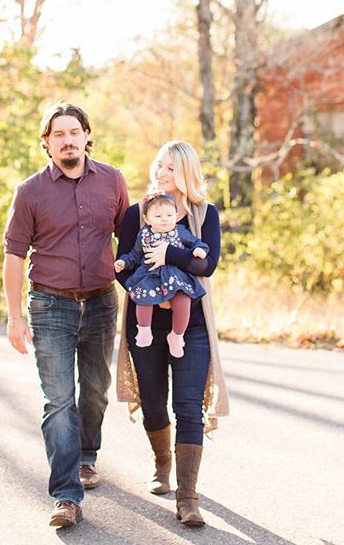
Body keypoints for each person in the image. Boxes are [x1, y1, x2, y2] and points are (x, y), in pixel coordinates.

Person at [3, 102, 129, 529]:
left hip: (99, 302)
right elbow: (14, 254)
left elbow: (128, 242)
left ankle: (87, 456)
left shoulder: (112, 181)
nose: (68, 140)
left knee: (94, 391)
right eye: (58, 134)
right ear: (47, 143)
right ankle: (65, 494)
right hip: (50, 304)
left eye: (74, 131)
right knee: (59, 401)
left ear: (87, 136)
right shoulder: (31, 191)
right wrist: (14, 316)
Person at [115, 140, 229, 527]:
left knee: (188, 405)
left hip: (191, 325)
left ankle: (188, 497)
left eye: (169, 169)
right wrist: (149, 291)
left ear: (186, 174)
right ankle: (162, 462)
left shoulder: (204, 214)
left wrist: (170, 258)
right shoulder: (138, 213)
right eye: (158, 167)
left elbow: (207, 264)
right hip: (145, 322)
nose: (160, 174)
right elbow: (122, 265)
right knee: (153, 400)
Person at [114, 191, 209, 358]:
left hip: (175, 276)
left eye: (169, 215)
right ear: (147, 219)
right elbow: (135, 255)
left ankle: (177, 335)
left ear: (176, 216)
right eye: (158, 216)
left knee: (183, 300)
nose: (165, 219)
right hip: (149, 275)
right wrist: (123, 262)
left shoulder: (180, 231)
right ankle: (144, 329)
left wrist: (199, 250)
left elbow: (195, 243)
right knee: (143, 296)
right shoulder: (144, 234)